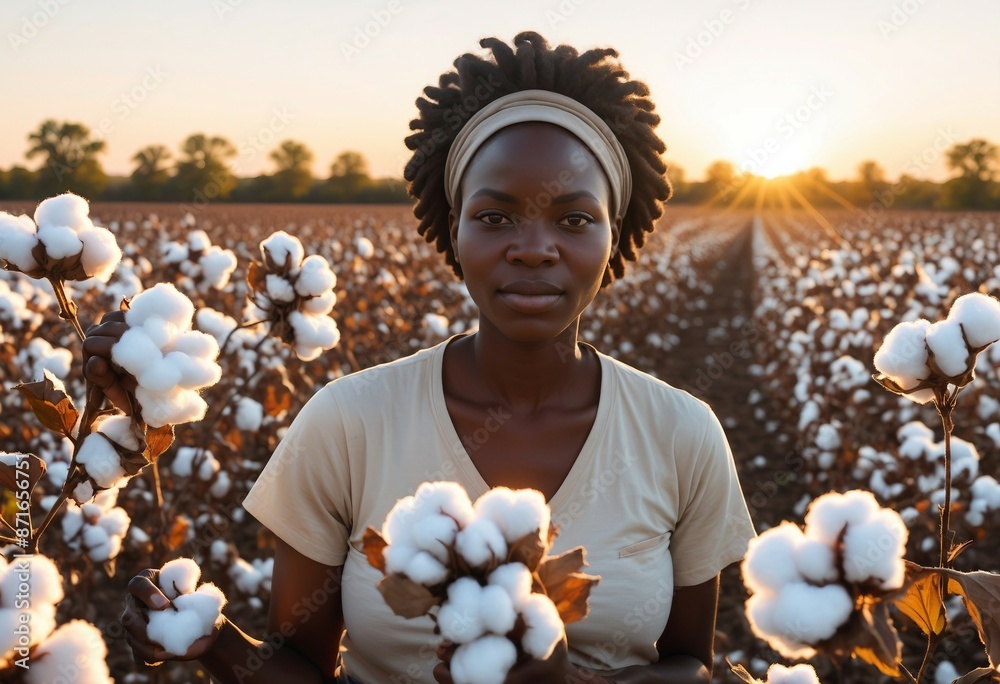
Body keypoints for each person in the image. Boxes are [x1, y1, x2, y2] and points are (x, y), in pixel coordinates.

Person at [111, 31, 757, 684]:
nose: (534, 249)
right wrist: (212, 641)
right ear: (454, 230)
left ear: (614, 234)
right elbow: (301, 666)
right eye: (497, 217)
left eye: (574, 220)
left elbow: (690, 667)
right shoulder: (348, 421)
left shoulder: (683, 434)